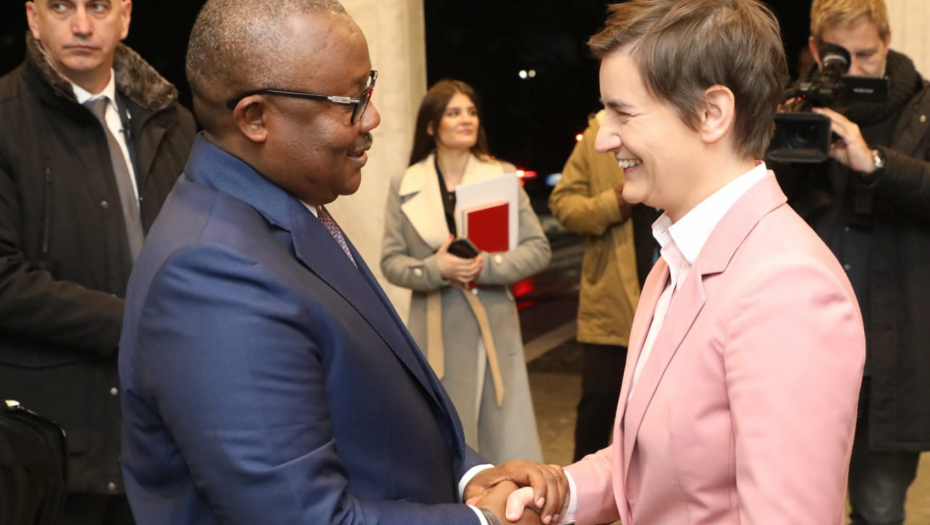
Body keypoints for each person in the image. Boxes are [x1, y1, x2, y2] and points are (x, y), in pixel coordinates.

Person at [118, 2, 567, 524]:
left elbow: (372, 418)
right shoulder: (213, 274)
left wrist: (470, 477)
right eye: (349, 102)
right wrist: (483, 522)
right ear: (256, 118)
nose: (371, 118)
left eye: (367, 91)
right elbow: (303, 517)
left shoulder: (285, 207)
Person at [503, 0, 866, 523]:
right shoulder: (677, 256)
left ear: (711, 114)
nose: (603, 139)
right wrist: (561, 492)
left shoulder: (789, 287)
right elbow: (658, 463)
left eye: (623, 112)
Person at [0, 0, 196, 523]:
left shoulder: (173, 122)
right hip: (51, 445)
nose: (82, 25)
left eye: (98, 7)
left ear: (125, 17)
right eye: (62, 7)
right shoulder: (5, 117)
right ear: (33, 17)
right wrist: (133, 321)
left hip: (166, 430)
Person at [773, 1, 930, 523]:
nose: (856, 69)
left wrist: (875, 163)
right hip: (805, 353)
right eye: (842, 57)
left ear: (887, 39)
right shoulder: (796, 107)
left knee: (879, 509)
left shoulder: (923, 108)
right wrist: (790, 129)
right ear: (816, 49)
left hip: (893, 355)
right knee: (789, 507)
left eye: (866, 54)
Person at [381, 80, 551, 465]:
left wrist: (484, 266)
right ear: (431, 126)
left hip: (493, 326)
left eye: (472, 112)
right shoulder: (405, 184)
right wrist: (435, 268)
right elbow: (391, 262)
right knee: (441, 443)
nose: (466, 120)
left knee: (501, 441)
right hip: (434, 330)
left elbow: (538, 250)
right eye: (454, 113)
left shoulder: (501, 177)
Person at [549, 110, 660, 462]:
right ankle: (581, 494)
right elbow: (563, 204)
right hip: (611, 307)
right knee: (598, 408)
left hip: (674, 299)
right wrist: (612, 203)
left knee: (661, 417)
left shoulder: (674, 124)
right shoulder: (599, 132)